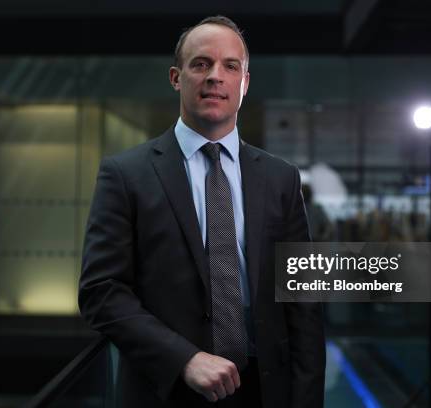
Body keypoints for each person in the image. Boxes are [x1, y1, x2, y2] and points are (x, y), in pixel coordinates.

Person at [78, 15, 326, 408]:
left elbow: (304, 304)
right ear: (177, 77)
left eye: (230, 66)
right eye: (201, 64)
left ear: (245, 82)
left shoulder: (281, 178)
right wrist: (184, 358)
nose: (215, 76)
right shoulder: (126, 174)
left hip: (265, 391)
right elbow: (101, 292)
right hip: (168, 389)